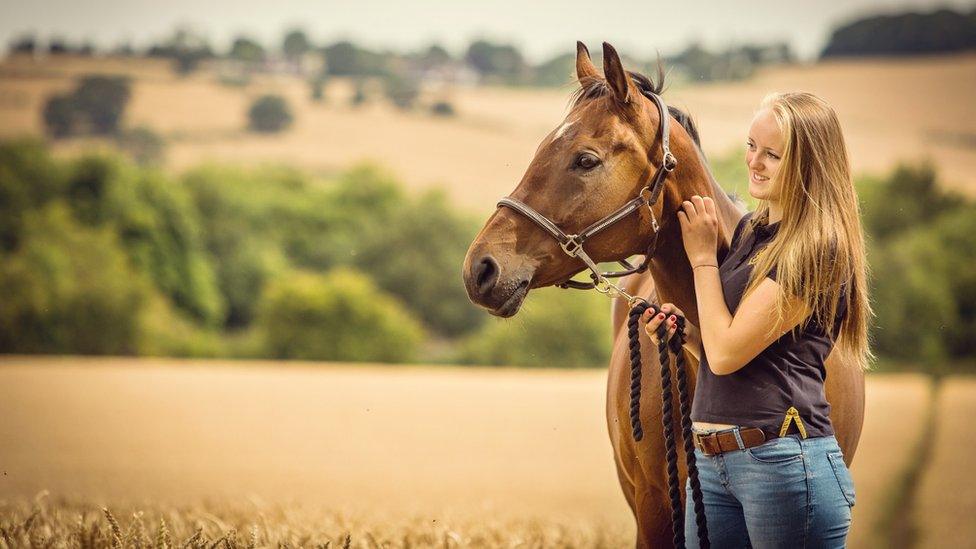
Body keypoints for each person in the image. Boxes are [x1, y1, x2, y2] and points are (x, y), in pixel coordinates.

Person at [640, 91, 873, 548]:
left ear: (808, 165)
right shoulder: (752, 230)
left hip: (783, 466)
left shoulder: (817, 250)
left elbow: (726, 355)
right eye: (751, 146)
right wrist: (684, 334)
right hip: (713, 466)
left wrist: (704, 258)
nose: (755, 163)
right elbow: (734, 347)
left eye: (773, 155)